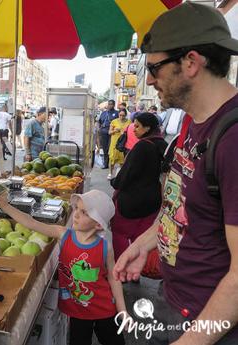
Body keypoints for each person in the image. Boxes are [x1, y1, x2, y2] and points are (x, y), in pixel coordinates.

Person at [114, 3, 238, 344]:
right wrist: (144, 243)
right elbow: (180, 206)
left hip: (209, 326)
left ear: (191, 62)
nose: (150, 79)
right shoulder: (190, 122)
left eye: (155, 67)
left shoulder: (232, 139)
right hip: (174, 301)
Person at [0, 189, 126, 345]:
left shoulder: (106, 247)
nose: (76, 214)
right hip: (78, 312)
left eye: (84, 212)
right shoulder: (63, 235)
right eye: (76, 208)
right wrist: (4, 205)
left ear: (98, 224)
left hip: (104, 308)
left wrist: (122, 309)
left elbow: (113, 277)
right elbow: (31, 222)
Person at [110, 112, 167, 260]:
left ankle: (122, 267)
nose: (133, 129)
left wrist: (114, 182)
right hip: (153, 200)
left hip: (132, 201)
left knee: (120, 234)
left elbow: (126, 174)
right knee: (141, 237)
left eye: (137, 126)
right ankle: (137, 271)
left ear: (147, 128)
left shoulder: (142, 146)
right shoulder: (164, 144)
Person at [108, 109, 131, 179]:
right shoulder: (114, 121)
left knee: (123, 159)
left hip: (123, 142)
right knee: (112, 159)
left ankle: (121, 174)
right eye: (120, 115)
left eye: (123, 115)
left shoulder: (129, 122)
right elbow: (109, 132)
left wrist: (124, 133)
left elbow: (131, 132)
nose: (121, 117)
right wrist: (114, 130)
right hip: (115, 142)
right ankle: (110, 173)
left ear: (126, 115)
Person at [98, 100, 118, 169]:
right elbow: (100, 121)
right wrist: (100, 129)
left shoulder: (116, 113)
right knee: (104, 148)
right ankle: (106, 164)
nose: (110, 105)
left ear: (114, 105)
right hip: (103, 131)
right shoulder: (104, 112)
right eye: (109, 104)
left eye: (111, 104)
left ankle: (110, 163)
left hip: (112, 132)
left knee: (110, 147)